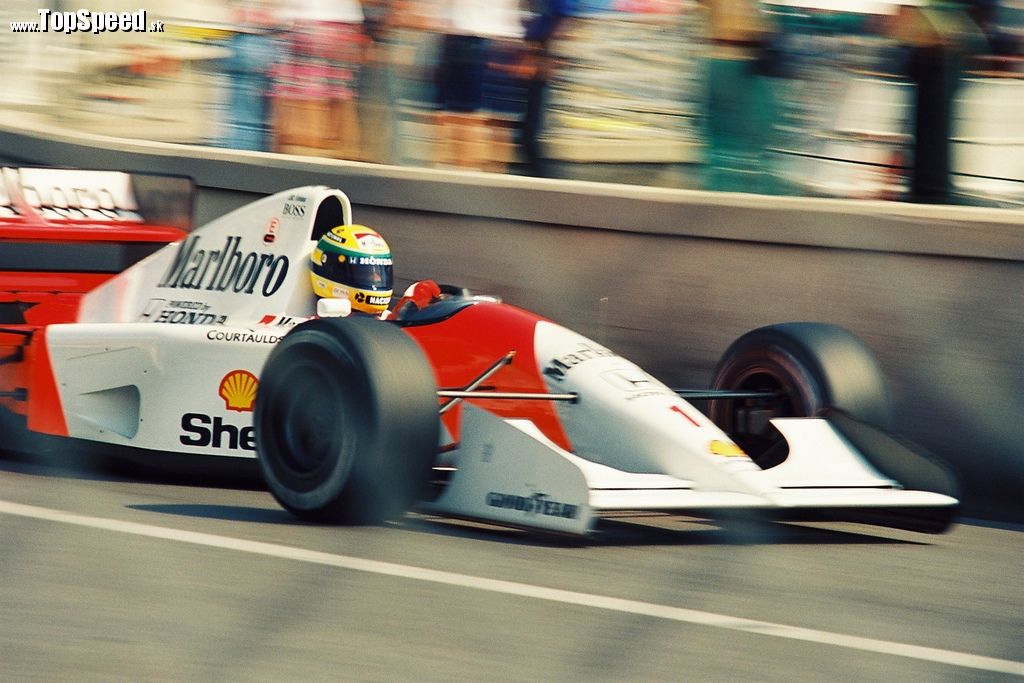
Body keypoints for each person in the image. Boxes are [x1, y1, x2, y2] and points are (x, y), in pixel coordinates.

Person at [309, 224, 394, 315]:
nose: (377, 278)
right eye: (364, 272)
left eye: (380, 273)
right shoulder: (311, 327)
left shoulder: (389, 320)